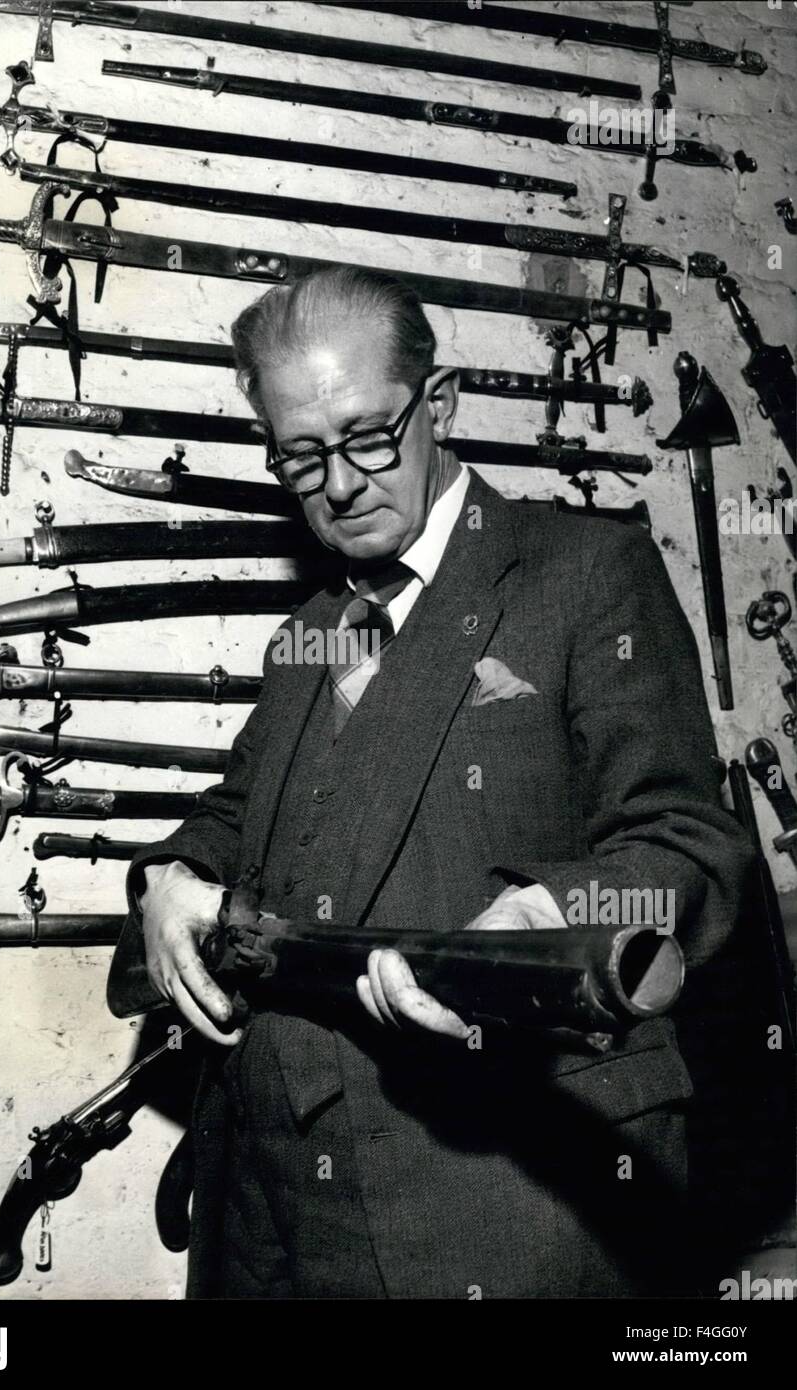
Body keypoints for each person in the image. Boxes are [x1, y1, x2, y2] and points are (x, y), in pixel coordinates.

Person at [117, 266, 751, 1298]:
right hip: (262, 1208)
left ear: (440, 404)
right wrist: (170, 878)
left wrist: (543, 916)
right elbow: (235, 816)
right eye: (301, 455)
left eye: (369, 436)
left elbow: (690, 847)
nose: (339, 482)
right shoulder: (310, 632)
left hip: (493, 1199)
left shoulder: (584, 571)